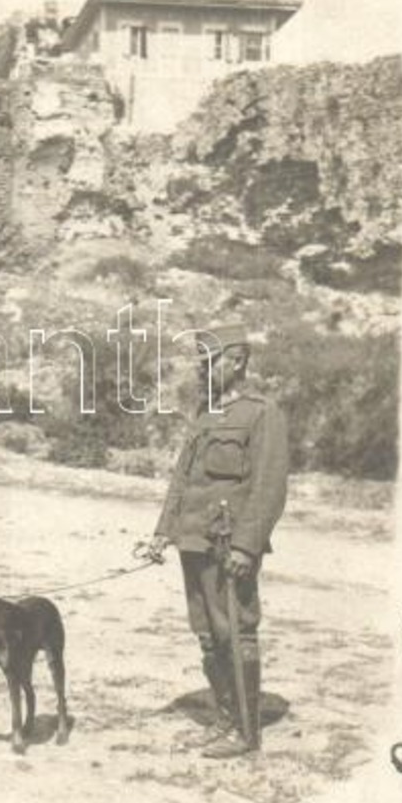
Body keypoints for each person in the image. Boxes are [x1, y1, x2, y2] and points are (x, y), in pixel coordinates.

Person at [143, 323, 288, 758]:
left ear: (238, 361)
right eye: (201, 364)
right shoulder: (205, 416)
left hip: (229, 547)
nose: (204, 372)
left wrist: (247, 545)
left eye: (211, 363)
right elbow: (182, 482)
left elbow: (269, 487)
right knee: (207, 635)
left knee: (236, 633)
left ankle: (246, 733)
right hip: (193, 543)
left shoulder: (263, 414)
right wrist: (162, 534)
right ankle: (224, 718)